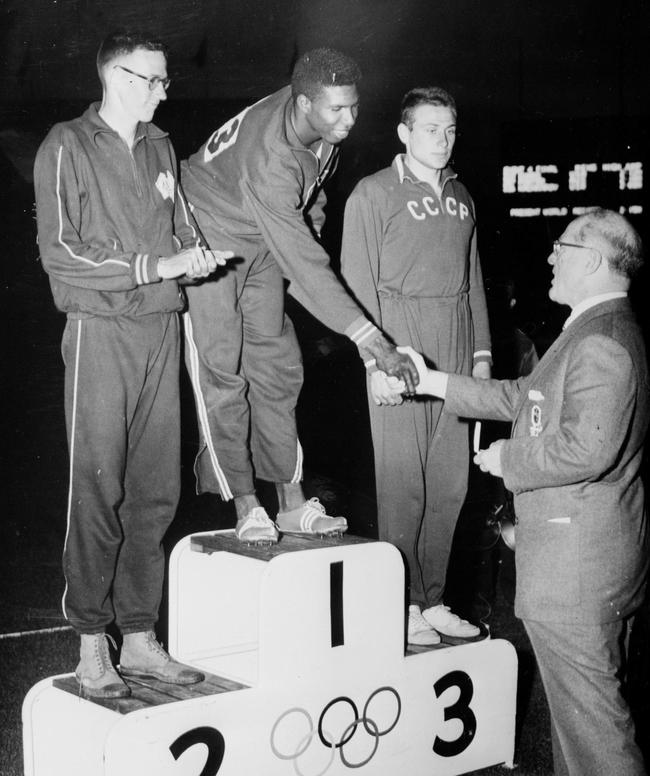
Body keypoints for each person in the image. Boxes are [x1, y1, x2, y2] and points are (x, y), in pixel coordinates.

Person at [399, 209, 650, 776]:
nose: (549, 259)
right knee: (582, 740)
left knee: (597, 744)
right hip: (588, 559)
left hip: (577, 569)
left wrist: (507, 461)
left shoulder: (601, 341)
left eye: (561, 249)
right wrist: (429, 382)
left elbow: (585, 449)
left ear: (593, 260)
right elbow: (522, 395)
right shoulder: (593, 331)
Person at [34, 30, 232, 698]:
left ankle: (141, 638)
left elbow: (179, 228)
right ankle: (93, 642)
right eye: (156, 79)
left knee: (155, 491)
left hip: (159, 329)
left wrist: (198, 253)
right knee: (99, 488)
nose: (165, 90)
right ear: (118, 77)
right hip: (101, 333)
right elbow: (62, 253)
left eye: (166, 80)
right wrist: (156, 265)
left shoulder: (159, 145)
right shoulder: (66, 145)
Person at [180, 47, 418, 546]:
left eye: (354, 106)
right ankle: (247, 503)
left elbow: (311, 201)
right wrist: (369, 339)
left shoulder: (321, 130)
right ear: (303, 102)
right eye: (336, 109)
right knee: (223, 371)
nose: (350, 119)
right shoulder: (269, 159)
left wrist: (305, 235)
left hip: (260, 233)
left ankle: (290, 503)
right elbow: (305, 261)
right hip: (206, 234)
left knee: (279, 367)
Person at [340, 87, 490, 646]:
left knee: (450, 483)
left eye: (450, 129)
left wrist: (480, 358)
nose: (443, 139)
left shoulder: (462, 196)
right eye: (431, 128)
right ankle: (400, 604)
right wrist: (375, 361)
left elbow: (473, 280)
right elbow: (356, 286)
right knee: (404, 484)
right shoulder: (373, 193)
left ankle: (433, 600)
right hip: (399, 337)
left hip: (454, 341)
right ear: (403, 132)